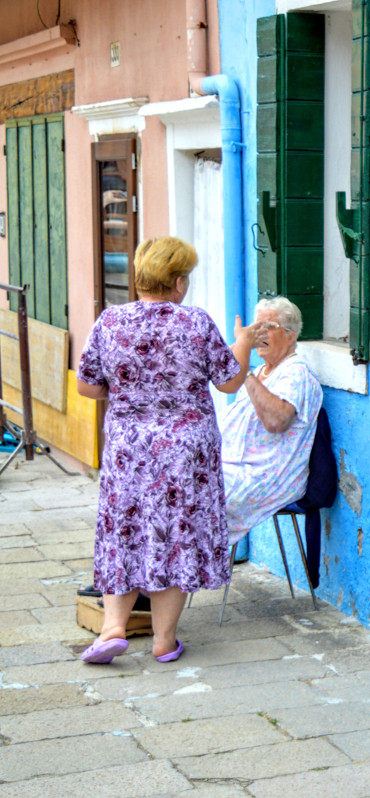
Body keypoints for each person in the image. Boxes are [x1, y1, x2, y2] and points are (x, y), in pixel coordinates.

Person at [76, 237, 260, 664]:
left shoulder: (109, 322)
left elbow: (87, 385)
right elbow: (229, 382)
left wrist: (129, 394)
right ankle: (164, 641)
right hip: (184, 452)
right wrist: (245, 341)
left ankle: (112, 628)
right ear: (177, 282)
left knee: (124, 530)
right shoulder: (195, 323)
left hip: (130, 449)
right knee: (174, 534)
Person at [220, 296, 322, 542]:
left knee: (196, 500)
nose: (260, 333)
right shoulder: (259, 372)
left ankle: (187, 573)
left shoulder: (296, 373)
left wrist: (242, 371)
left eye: (269, 326)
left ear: (290, 335)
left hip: (266, 473)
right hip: (233, 465)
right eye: (257, 327)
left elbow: (276, 422)